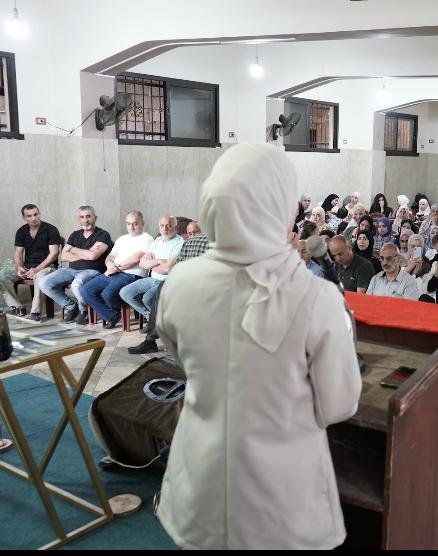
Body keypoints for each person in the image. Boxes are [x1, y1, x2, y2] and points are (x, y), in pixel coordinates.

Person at [154, 143, 361, 550]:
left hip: (201, 477)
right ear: (280, 205)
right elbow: (338, 405)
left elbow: (180, 355)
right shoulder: (315, 296)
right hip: (280, 494)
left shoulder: (180, 281)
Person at [128, 221, 213, 355]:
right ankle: (151, 340)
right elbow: (176, 266)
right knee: (162, 288)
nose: (193, 235)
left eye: (196, 232)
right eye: (190, 233)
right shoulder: (187, 244)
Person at [39, 205, 113, 324]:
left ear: (95, 217)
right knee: (44, 282)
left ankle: (83, 311)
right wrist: (87, 252)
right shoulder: (75, 234)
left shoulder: (103, 235)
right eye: (82, 217)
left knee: (76, 284)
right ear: (78, 219)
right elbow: (63, 257)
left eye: (88, 216)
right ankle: (72, 307)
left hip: (92, 271)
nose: (85, 220)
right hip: (71, 270)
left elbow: (93, 256)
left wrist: (72, 249)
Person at [80, 211, 154, 329]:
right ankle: (112, 315)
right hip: (113, 271)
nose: (131, 227)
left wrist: (116, 268)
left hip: (132, 275)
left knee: (108, 294)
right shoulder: (122, 239)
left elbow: (136, 259)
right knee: (85, 289)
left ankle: (114, 312)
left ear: (142, 223)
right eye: (128, 224)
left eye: (135, 223)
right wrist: (109, 264)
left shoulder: (147, 239)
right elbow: (111, 256)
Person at [119, 215, 183, 321]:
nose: (165, 229)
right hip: (152, 279)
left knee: (148, 298)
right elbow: (142, 262)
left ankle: (159, 321)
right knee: (125, 293)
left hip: (167, 282)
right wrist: (159, 261)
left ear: (175, 227)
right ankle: (150, 318)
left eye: (168, 226)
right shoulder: (158, 240)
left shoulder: (180, 243)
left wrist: (151, 265)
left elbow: (167, 269)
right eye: (162, 225)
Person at [3, 204, 61, 320]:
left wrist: (37, 269)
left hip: (47, 267)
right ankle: (18, 307)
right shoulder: (21, 231)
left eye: (36, 214)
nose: (34, 218)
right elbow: (18, 253)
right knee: (3, 276)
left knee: (40, 276)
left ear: (39, 214)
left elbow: (54, 253)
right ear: (24, 218)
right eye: (29, 216)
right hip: (28, 267)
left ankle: (35, 313)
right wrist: (19, 267)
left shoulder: (51, 229)